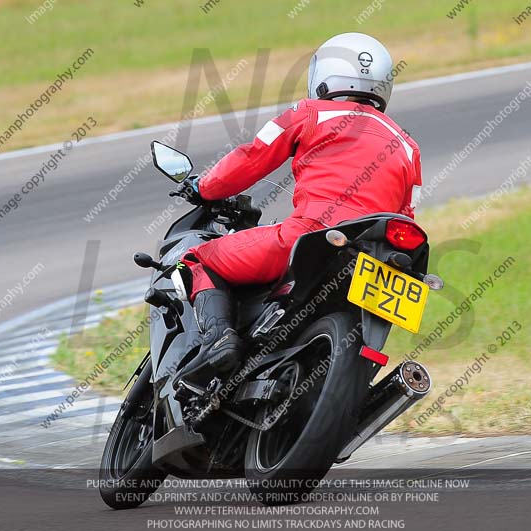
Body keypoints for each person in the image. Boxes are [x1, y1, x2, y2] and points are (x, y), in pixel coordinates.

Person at [173, 32, 422, 391]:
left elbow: (252, 157)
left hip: (308, 236)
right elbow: (406, 213)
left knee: (198, 259)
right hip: (378, 257)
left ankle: (219, 341)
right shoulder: (407, 144)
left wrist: (203, 186)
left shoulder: (310, 113)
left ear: (324, 75)